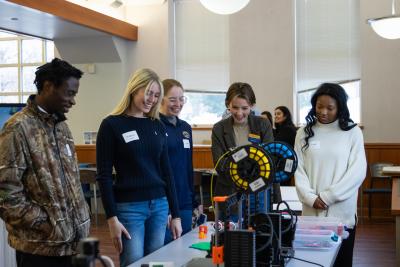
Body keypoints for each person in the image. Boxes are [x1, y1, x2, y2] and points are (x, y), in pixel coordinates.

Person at [0, 58, 90, 267]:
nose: (73, 101)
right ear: (49, 86)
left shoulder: (62, 127)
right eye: (70, 93)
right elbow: (6, 194)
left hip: (75, 245)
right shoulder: (17, 128)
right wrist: (46, 223)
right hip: (40, 248)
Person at [96, 68, 182, 266]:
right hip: (129, 208)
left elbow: (167, 172)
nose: (152, 99)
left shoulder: (157, 125)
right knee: (133, 262)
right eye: (148, 93)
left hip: (160, 205)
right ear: (134, 89)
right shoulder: (111, 125)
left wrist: (175, 214)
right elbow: (104, 176)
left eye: (157, 95)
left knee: (156, 262)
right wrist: (111, 219)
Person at [294, 83, 366, 267]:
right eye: (319, 107)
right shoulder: (303, 132)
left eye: (330, 108)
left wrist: (328, 197)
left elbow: (357, 171)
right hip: (312, 209)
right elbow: (298, 169)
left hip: (341, 210)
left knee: (341, 262)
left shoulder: (352, 131)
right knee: (312, 261)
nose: (324, 112)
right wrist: (310, 198)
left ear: (340, 107)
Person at [211, 82, 274, 215]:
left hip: (258, 194)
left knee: (260, 232)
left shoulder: (263, 124)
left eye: (244, 108)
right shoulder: (219, 128)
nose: (239, 113)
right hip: (229, 192)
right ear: (228, 104)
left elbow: (269, 160)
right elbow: (219, 163)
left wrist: (237, 164)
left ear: (252, 106)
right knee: (231, 234)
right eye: (235, 107)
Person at [159, 79, 202, 244]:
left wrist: (195, 200)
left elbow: (188, 166)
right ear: (161, 99)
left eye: (181, 98)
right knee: (166, 253)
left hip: (185, 199)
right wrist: (168, 207)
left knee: (184, 250)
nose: (178, 103)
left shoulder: (186, 128)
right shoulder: (155, 125)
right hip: (165, 202)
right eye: (172, 99)